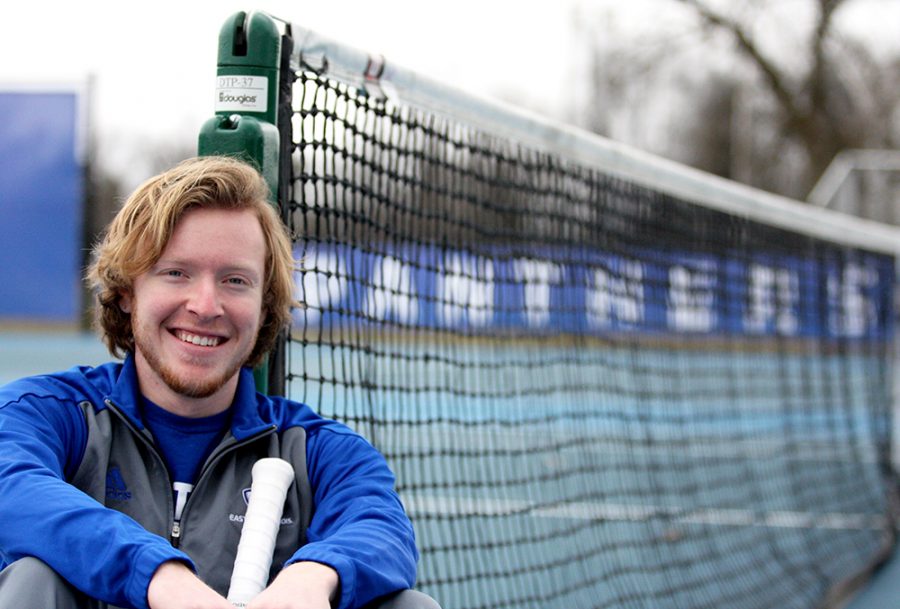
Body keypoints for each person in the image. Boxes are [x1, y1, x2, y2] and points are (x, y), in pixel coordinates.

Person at [0, 156, 439, 609]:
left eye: (235, 280)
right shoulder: (46, 414)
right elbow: (11, 487)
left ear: (265, 306)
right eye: (176, 273)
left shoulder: (320, 451)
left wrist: (314, 576)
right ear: (128, 291)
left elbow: (380, 526)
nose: (206, 305)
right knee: (33, 580)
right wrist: (158, 576)